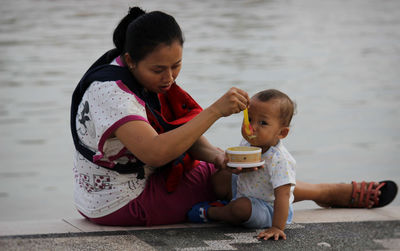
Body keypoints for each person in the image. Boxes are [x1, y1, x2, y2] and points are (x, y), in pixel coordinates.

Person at [70, 7, 398, 227]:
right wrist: (214, 111)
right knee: (239, 181)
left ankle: (325, 193)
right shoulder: (111, 93)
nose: (170, 78)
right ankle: (330, 194)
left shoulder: (143, 75)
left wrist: (216, 155)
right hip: (117, 199)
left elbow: (175, 128)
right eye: (160, 69)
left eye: (177, 65)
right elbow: (156, 151)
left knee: (235, 170)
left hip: (144, 176)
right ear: (129, 60)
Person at [188, 89, 297, 240]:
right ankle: (229, 206)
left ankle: (212, 212)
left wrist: (277, 227)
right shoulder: (249, 143)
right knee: (219, 177)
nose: (252, 127)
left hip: (268, 209)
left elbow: (283, 195)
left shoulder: (280, 160)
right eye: (250, 119)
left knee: (241, 208)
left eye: (263, 123)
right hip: (245, 192)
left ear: (282, 133)